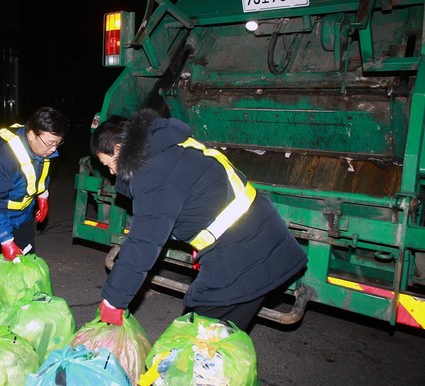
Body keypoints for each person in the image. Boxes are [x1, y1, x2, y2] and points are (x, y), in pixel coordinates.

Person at [91, 108, 308, 331]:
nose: (111, 172)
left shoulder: (151, 172)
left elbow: (142, 243)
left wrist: (113, 301)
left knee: (200, 339)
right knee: (216, 337)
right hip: (260, 237)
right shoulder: (170, 145)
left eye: (108, 164)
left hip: (243, 256)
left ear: (118, 149)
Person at [0, 107, 68, 322]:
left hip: (22, 215)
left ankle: (23, 317)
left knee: (27, 266)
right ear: (32, 134)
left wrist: (43, 196)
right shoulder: (4, 155)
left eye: (57, 143)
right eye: (49, 143)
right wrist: (5, 240)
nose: (53, 149)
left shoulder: (42, 147)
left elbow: (40, 174)